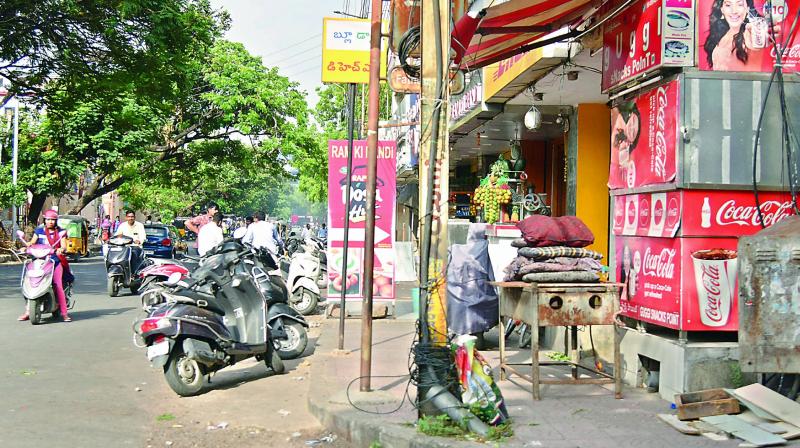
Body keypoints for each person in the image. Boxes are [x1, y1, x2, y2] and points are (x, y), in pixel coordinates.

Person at [18, 210, 73, 322]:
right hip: (38, 260)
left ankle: (64, 313)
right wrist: (25, 247)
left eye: (53, 219)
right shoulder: (39, 231)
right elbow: (32, 243)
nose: (50, 222)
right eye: (48, 219)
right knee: (28, 283)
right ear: (45, 220)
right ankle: (28, 311)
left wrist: (61, 249)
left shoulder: (61, 232)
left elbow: (63, 245)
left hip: (54, 262)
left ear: (56, 221)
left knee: (58, 285)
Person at [702, 0, 778, 71]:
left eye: (740, 5)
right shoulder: (722, 35)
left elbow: (754, 43)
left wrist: (759, 37)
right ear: (722, 9)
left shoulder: (749, 33)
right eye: (728, 5)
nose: (734, 11)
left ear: (747, 9)